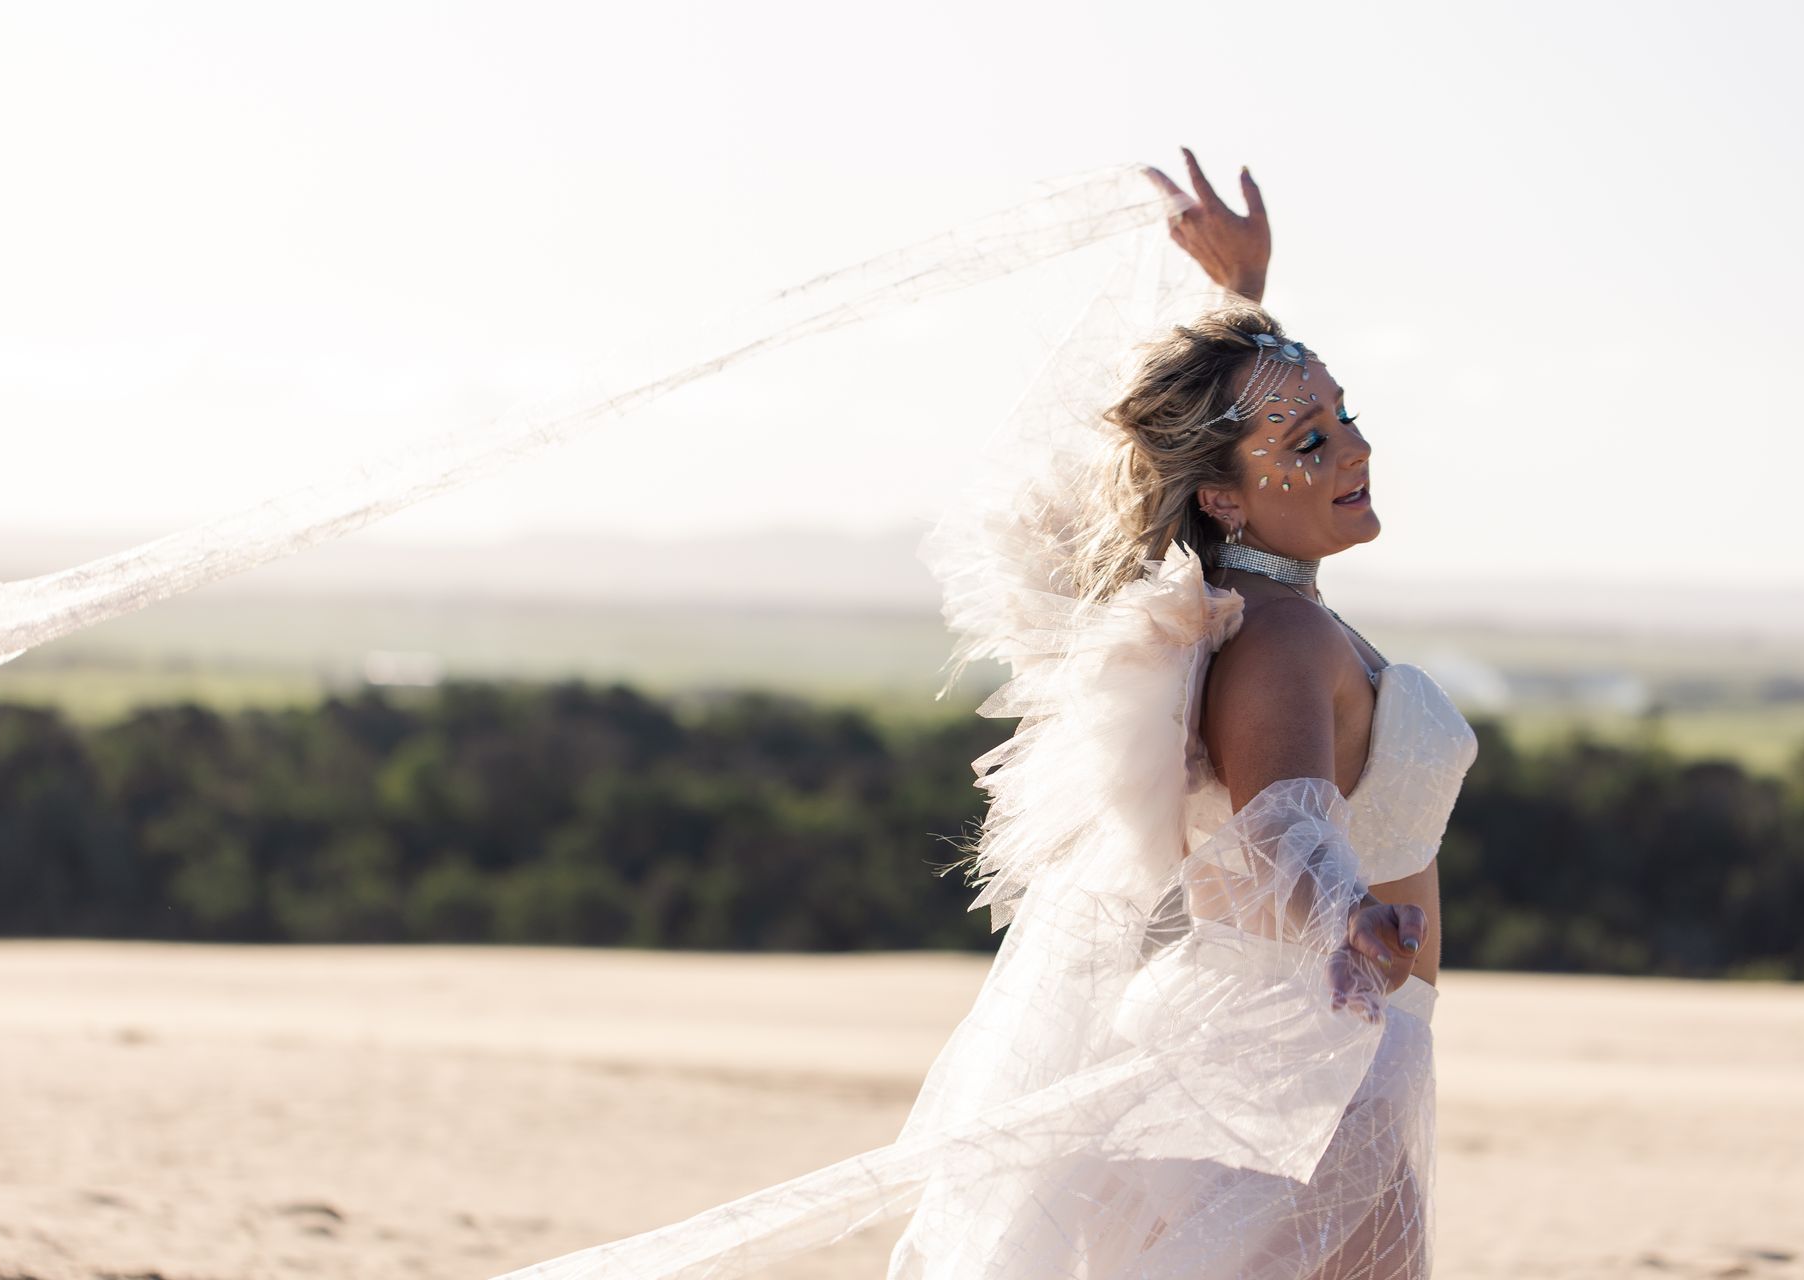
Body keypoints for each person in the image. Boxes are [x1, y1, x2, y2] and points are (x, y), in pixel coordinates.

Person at [499, 151, 1477, 1280]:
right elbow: (1285, 827)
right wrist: (1350, 917)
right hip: (1304, 1050)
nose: (1353, 446)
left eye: (1343, 416)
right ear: (1222, 496)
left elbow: (1243, 447)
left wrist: (1241, 295)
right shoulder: (1280, 636)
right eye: (1312, 442)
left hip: (1305, 1037)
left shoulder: (1260, 611)